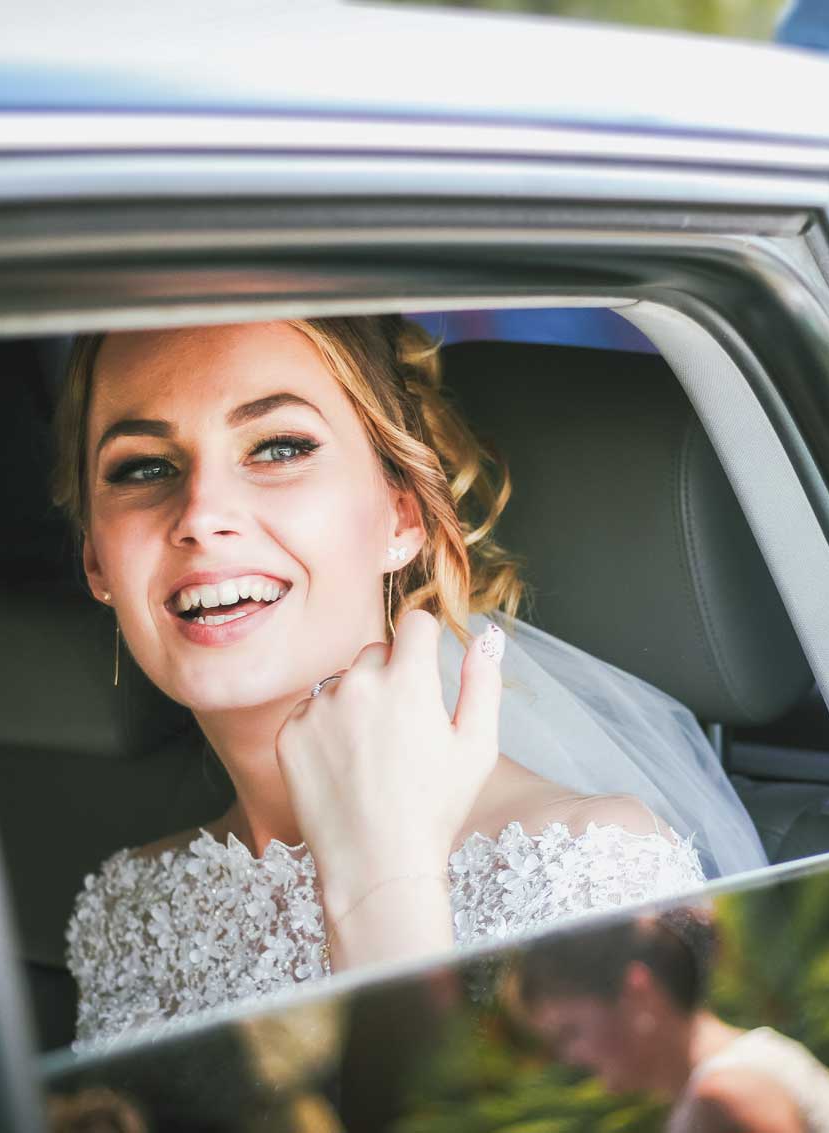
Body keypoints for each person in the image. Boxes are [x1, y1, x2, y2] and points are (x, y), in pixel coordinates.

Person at [57, 317, 765, 1046]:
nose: (201, 515)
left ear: (402, 513)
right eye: (142, 467)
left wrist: (383, 891)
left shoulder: (587, 873)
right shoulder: (132, 907)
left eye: (279, 448)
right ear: (97, 561)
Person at [518, 910, 829, 1133]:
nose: (568, 1058)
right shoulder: (731, 1072)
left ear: (638, 993)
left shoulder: (727, 1094)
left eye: (570, 1032)